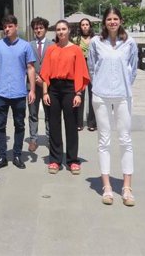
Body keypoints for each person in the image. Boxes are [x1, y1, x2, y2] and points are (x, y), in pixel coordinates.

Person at [87, 7, 138, 206]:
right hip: (101, 95)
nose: (113, 22)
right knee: (104, 140)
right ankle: (107, 186)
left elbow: (133, 68)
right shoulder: (96, 42)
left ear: (121, 20)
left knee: (125, 139)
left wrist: (122, 83)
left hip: (123, 95)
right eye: (109, 19)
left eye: (116, 18)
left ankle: (126, 187)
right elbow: (92, 67)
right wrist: (102, 82)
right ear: (104, 22)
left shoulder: (130, 42)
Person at [40, 20, 90, 175]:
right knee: (53, 124)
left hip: (70, 89)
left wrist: (79, 93)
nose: (61, 32)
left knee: (71, 125)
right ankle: (55, 159)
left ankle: (72, 160)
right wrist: (45, 93)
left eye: (64, 29)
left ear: (69, 31)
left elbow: (80, 72)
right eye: (58, 29)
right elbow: (45, 73)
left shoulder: (76, 50)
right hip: (53, 89)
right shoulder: (50, 50)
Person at [0, 15, 36, 170]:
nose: (7, 29)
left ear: (16, 26)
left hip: (19, 93)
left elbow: (30, 68)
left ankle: (17, 154)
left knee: (19, 125)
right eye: (5, 27)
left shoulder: (25, 46)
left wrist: (33, 90)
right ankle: (2, 156)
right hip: (0, 92)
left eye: (10, 26)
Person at [28, 16, 53, 152]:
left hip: (48, 85)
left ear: (46, 29)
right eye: (36, 28)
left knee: (49, 113)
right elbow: (25, 65)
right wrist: (34, 78)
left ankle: (50, 138)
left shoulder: (52, 45)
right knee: (33, 113)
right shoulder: (28, 45)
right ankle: (33, 139)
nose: (38, 30)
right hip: (32, 84)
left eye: (41, 28)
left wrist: (44, 80)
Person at [73, 18, 97, 131]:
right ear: (80, 27)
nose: (85, 26)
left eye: (87, 24)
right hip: (80, 67)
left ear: (90, 26)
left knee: (93, 95)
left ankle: (92, 122)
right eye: (83, 25)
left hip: (93, 67)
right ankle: (78, 122)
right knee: (79, 93)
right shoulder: (75, 39)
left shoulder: (96, 39)